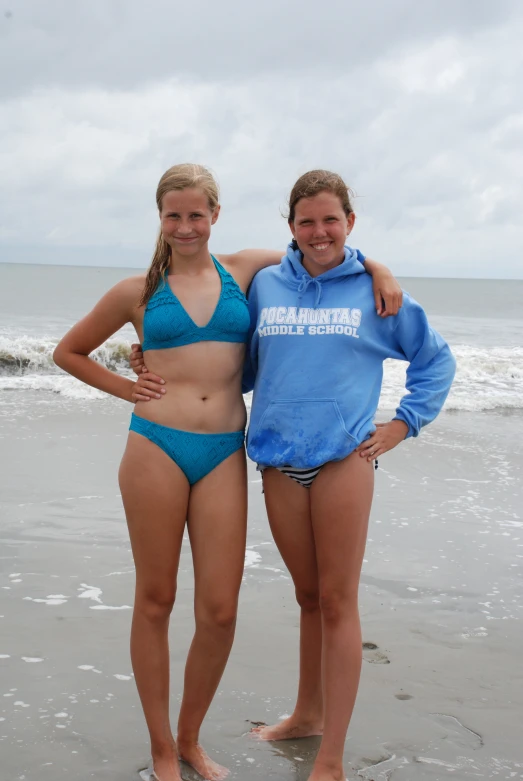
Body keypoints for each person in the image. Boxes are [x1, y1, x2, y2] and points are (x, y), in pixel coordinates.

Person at [53, 163, 402, 781]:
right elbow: (68, 352)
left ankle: (190, 739)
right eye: (173, 214)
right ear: (160, 219)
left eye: (196, 213)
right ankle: (162, 748)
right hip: (155, 446)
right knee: (155, 599)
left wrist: (379, 268)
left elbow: (320, 250)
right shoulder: (134, 291)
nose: (185, 225)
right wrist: (127, 387)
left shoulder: (246, 269)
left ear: (215, 215)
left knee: (219, 610)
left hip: (224, 452)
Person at [132, 168, 456, 781]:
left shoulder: (374, 291)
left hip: (343, 460)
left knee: (337, 600)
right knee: (308, 597)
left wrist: (403, 423)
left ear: (350, 224)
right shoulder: (267, 286)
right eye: (306, 221)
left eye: (331, 219)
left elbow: (434, 359)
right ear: (290, 228)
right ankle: (307, 715)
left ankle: (330, 758)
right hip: (277, 461)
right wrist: (158, 359)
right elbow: (239, 361)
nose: (319, 231)